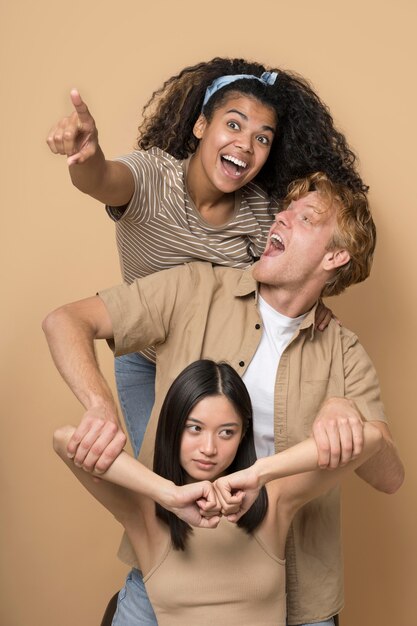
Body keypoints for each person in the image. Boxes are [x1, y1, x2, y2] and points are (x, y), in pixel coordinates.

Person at [43, 172, 404, 625]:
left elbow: (389, 476)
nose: (282, 219)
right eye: (284, 210)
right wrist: (100, 408)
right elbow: (65, 322)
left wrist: (346, 409)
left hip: (298, 590)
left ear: (335, 255)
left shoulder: (344, 351)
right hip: (169, 569)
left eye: (305, 217)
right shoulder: (194, 289)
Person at [46, 57, 365, 458]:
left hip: (214, 360)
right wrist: (85, 156)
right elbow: (101, 179)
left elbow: (293, 267)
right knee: (160, 478)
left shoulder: (261, 214)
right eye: (233, 125)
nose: (246, 145)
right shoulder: (152, 178)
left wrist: (313, 308)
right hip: (145, 360)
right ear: (200, 126)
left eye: (262, 138)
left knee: (216, 483)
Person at [53, 359, 385, 626]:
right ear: (173, 426)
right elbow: (65, 440)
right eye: (194, 428)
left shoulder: (274, 501)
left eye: (226, 432)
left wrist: (258, 473)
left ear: (243, 436)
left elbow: (371, 438)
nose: (209, 448)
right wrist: (167, 493)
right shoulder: (145, 511)